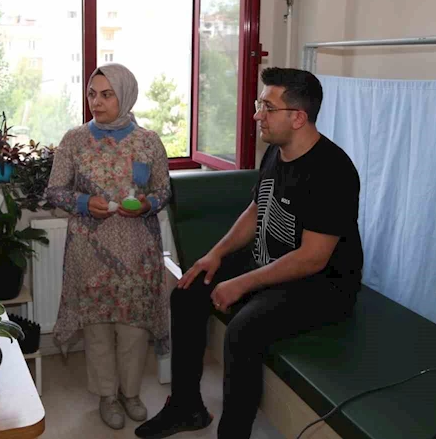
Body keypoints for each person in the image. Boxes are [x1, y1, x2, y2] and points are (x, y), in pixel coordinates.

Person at [136, 67, 363, 439]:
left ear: (298, 117)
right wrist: (216, 254)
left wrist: (241, 283)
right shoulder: (276, 152)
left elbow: (313, 258)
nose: (257, 115)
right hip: (271, 262)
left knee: (243, 330)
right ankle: (187, 407)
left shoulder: (332, 170)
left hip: (322, 286)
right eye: (260, 104)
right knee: (188, 290)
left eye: (267, 107)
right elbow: (258, 208)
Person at [46, 63, 171, 431]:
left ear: (126, 96)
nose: (96, 102)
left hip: (138, 251)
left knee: (134, 328)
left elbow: (164, 190)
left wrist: (148, 204)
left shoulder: (148, 141)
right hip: (89, 251)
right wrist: (85, 203)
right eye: (91, 94)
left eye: (106, 94)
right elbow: (55, 191)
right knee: (98, 327)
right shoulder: (74, 140)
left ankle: (130, 393)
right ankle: (106, 396)